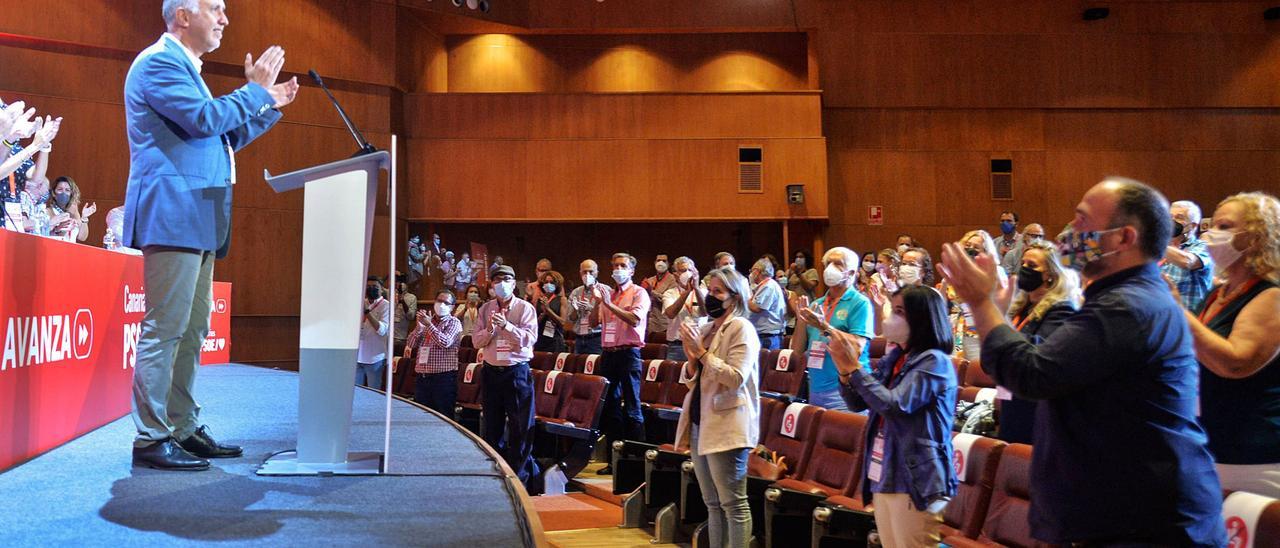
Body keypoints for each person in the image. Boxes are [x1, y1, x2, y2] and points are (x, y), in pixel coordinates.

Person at [938, 177, 1226, 545]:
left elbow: (1031, 375)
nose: (1070, 232)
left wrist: (981, 303)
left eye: (1082, 220)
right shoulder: (1122, 298)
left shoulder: (1126, 306)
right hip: (1130, 513)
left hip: (1149, 522)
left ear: (1124, 238)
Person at [125, 0, 299, 471]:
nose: (225, 19)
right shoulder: (159, 63)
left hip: (197, 213)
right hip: (173, 210)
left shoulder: (187, 69)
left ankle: (180, 426)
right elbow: (204, 119)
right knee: (166, 327)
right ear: (183, 15)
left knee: (193, 328)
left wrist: (267, 104)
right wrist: (255, 91)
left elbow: (221, 138)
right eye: (216, 8)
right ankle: (151, 436)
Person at [829, 285, 959, 548]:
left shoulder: (935, 362)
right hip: (885, 471)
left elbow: (895, 405)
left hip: (916, 479)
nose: (891, 317)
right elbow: (857, 402)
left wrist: (854, 368)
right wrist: (844, 371)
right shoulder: (896, 358)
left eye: (900, 311)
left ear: (921, 318)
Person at [1180, 192, 1280, 498]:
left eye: (1225, 226)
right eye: (1213, 225)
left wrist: (1178, 310)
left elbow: (1236, 363)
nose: (1213, 234)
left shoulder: (1271, 295)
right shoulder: (1218, 293)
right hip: (1213, 443)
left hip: (1255, 452)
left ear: (1256, 237)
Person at [673, 266, 761, 548]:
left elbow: (735, 377)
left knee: (733, 504)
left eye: (718, 292)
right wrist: (691, 358)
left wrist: (700, 352)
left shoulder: (742, 328)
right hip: (701, 420)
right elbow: (694, 380)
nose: (710, 297)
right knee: (711, 503)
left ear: (735, 297)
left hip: (728, 422)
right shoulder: (708, 328)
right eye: (709, 290)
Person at [997, 241, 1081, 445]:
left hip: (1035, 409)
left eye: (1032, 265)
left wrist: (999, 322)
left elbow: (1036, 352)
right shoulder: (1019, 308)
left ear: (1050, 275)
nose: (1025, 268)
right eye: (1023, 263)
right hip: (1012, 400)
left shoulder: (1062, 310)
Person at [471, 265, 540, 485]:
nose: (502, 283)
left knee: (520, 427)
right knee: (492, 427)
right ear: (492, 284)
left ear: (514, 282)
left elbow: (529, 339)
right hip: (491, 372)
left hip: (516, 372)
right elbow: (476, 341)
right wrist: (491, 329)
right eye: (498, 279)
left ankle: (520, 479)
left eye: (507, 279)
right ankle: (497, 476)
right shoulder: (485, 309)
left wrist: (507, 326)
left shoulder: (525, 308)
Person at [789, 247, 874, 411]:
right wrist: (801, 319)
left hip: (845, 390)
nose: (830, 268)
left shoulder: (859, 303)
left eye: (837, 264)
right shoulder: (817, 304)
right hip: (815, 388)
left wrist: (824, 326)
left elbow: (856, 347)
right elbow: (797, 351)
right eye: (828, 263)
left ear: (851, 273)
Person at [591, 253, 650, 475]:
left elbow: (634, 319)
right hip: (608, 353)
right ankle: (615, 463)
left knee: (632, 407)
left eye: (623, 265)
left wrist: (609, 304)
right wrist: (598, 303)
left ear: (632, 270)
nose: (618, 269)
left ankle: (638, 463)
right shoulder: (609, 294)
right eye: (615, 265)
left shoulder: (639, 293)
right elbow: (594, 323)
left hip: (628, 353)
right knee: (610, 408)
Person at [407, 289, 463, 417]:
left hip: (443, 378)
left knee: (443, 416)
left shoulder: (453, 322)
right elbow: (410, 344)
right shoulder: (427, 321)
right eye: (439, 301)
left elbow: (445, 342)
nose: (441, 304)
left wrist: (429, 325)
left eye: (446, 302)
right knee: (422, 416)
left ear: (452, 307)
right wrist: (419, 328)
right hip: (423, 377)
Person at [1162, 200, 1215, 312]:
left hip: (1189, 317)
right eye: (1170, 217)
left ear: (1193, 225)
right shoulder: (1161, 247)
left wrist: (1155, 243)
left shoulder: (1203, 247)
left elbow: (1187, 262)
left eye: (1179, 217)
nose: (1172, 221)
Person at [663, 256, 706, 361]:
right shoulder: (669, 293)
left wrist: (696, 288)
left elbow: (706, 312)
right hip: (677, 345)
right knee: (673, 371)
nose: (687, 273)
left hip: (699, 344)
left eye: (690, 270)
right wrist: (686, 292)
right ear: (675, 275)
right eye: (683, 270)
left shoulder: (703, 292)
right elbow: (671, 314)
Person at [356, 277, 392, 390]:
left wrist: (367, 312)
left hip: (375, 357)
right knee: (356, 391)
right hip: (358, 356)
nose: (371, 289)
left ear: (382, 289)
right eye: (368, 287)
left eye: (375, 287)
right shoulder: (361, 303)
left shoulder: (386, 306)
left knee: (373, 392)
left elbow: (382, 330)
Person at [747, 258, 786, 350]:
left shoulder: (769, 286)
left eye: (751, 271)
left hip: (768, 337)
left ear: (757, 271)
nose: (750, 274)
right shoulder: (763, 286)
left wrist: (743, 297)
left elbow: (757, 308)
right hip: (763, 335)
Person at [567, 259, 605, 354]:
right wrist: (576, 309)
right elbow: (571, 319)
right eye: (584, 272)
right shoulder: (576, 292)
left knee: (596, 363)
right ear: (580, 274)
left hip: (597, 338)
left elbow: (608, 317)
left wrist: (590, 308)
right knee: (578, 363)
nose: (587, 275)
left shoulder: (605, 290)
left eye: (591, 272)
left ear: (596, 273)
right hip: (580, 338)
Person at [45, 176, 97, 242]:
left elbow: (82, 237)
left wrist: (84, 217)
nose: (63, 193)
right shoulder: (47, 212)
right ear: (54, 193)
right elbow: (43, 234)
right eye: (60, 189)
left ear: (71, 193)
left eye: (67, 190)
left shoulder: (74, 212)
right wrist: (58, 228)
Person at [641, 253, 678, 337]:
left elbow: (668, 301)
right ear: (655, 263)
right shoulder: (650, 280)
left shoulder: (674, 280)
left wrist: (651, 291)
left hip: (664, 325)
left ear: (668, 264)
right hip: (649, 323)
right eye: (658, 260)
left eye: (664, 261)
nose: (661, 263)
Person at [533, 269, 569, 353]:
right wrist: (542, 316)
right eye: (546, 282)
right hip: (540, 339)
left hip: (555, 340)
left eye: (552, 282)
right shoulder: (538, 300)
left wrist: (548, 310)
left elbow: (562, 322)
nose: (548, 284)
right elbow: (533, 323)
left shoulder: (562, 300)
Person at [392, 281, 418, 356]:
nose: (400, 284)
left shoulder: (411, 297)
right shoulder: (389, 294)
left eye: (402, 282)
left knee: (397, 359)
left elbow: (411, 316)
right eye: (398, 281)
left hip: (400, 337)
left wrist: (402, 301)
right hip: (387, 335)